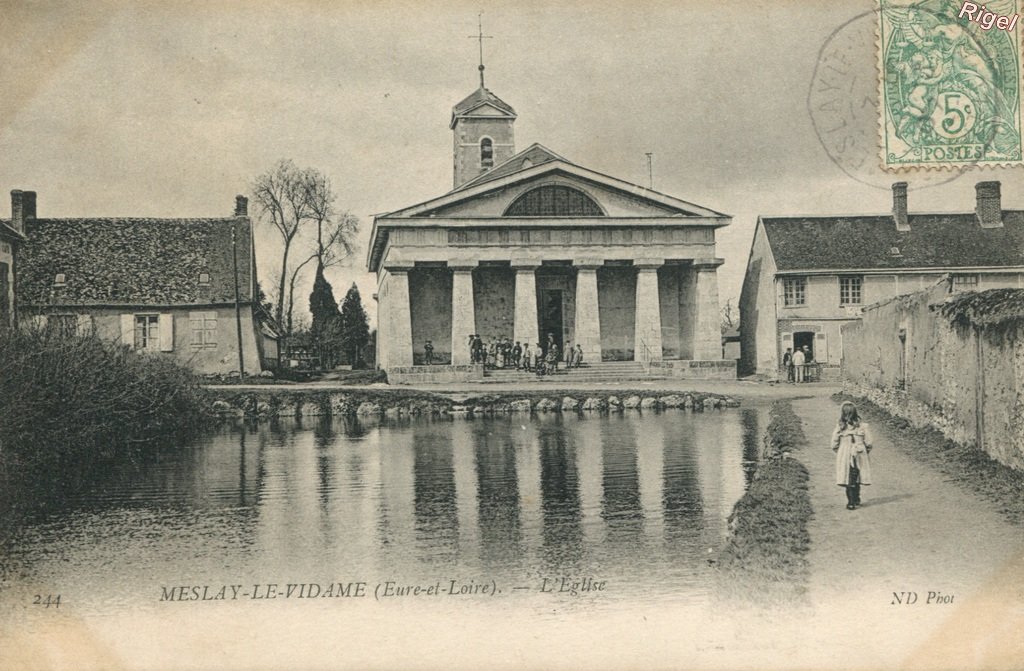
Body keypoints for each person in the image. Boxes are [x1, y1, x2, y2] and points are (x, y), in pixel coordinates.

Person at [831, 401, 873, 510]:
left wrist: (840, 451)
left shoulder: (840, 427)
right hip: (859, 453)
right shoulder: (862, 426)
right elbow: (869, 442)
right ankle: (854, 498)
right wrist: (864, 451)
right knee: (855, 475)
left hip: (846, 454)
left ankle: (851, 501)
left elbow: (834, 444)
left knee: (849, 476)